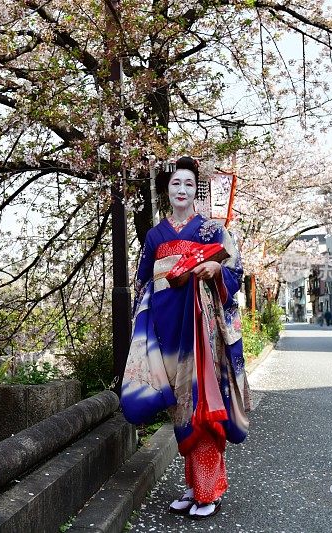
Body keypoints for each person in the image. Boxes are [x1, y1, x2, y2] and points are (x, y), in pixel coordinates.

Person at [121, 156, 252, 520]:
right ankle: (195, 487)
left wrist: (214, 270)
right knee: (180, 405)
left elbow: (235, 273)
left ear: (197, 190)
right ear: (167, 189)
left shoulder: (212, 230)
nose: (182, 190)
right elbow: (144, 281)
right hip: (169, 326)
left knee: (204, 403)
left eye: (189, 184)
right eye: (176, 183)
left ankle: (209, 489)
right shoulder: (155, 235)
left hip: (202, 328)